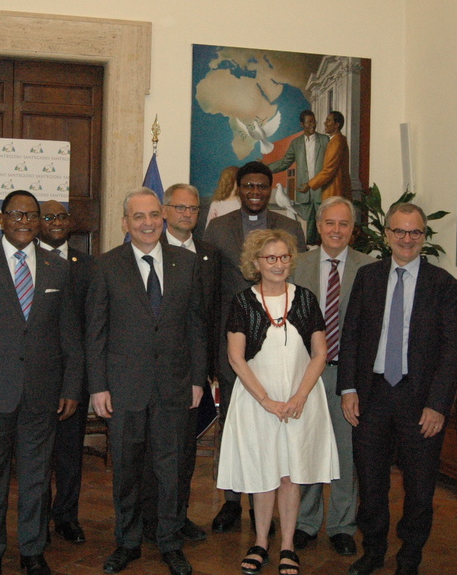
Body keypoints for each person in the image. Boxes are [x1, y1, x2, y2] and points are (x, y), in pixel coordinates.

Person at [0, 190, 82, 575]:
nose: (24, 221)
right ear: (2, 219)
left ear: (40, 221)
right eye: (16, 214)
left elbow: (70, 335)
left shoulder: (59, 267)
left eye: (32, 215)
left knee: (38, 477)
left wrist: (72, 387)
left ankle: (32, 550)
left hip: (43, 392)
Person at [86, 187, 207, 575]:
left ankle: (170, 542)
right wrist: (98, 386)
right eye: (139, 217)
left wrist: (198, 379)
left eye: (154, 214)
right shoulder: (106, 265)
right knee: (126, 469)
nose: (148, 222)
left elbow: (196, 326)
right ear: (126, 223)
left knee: (170, 469)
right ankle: (128, 541)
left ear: (164, 217)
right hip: (123, 388)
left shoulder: (186, 264)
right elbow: (96, 332)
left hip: (174, 385)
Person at [338, 203, 457, 575]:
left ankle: (410, 554)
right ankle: (373, 550)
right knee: (372, 482)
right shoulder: (369, 277)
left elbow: (451, 350)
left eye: (415, 233)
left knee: (421, 486)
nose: (407, 239)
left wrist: (438, 404)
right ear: (387, 234)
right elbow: (353, 335)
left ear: (424, 237)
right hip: (373, 395)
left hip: (420, 399)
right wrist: (348, 388)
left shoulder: (444, 285)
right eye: (400, 231)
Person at [217, 229, 338, 575]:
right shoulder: (242, 302)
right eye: (270, 257)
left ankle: (287, 546)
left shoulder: (305, 299)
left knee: (290, 474)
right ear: (255, 262)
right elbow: (236, 358)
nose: (279, 264)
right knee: (263, 472)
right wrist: (267, 400)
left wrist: (299, 396)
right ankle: (259, 543)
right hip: (257, 400)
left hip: (300, 400)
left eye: (284, 257)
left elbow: (320, 353)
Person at [204, 161, 306, 533]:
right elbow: (210, 291)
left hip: (281, 347)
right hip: (234, 346)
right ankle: (232, 500)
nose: (255, 192)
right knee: (234, 425)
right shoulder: (217, 228)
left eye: (262, 186)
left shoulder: (291, 227)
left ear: (270, 187)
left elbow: (301, 287)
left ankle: (263, 506)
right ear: (239, 188)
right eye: (248, 186)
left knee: (274, 427)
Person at [139, 183, 221, 544]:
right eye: (180, 208)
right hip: (147, 371)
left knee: (183, 451)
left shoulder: (209, 254)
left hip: (190, 370)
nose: (188, 214)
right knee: (148, 451)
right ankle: (147, 517)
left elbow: (209, 315)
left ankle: (178, 514)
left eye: (193, 209)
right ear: (165, 211)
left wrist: (207, 368)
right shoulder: (147, 249)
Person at [291, 196, 373, 557]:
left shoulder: (370, 268)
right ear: (319, 226)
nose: (336, 230)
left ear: (352, 230)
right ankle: (306, 522)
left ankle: (342, 525)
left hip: (348, 375)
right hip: (306, 374)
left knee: (345, 452)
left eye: (344, 224)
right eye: (330, 223)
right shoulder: (299, 265)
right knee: (307, 447)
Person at [37, 199, 94, 545]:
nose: (56, 222)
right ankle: (37, 517)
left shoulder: (88, 265)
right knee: (37, 453)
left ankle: (67, 516)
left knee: (71, 452)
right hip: (38, 373)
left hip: (76, 373)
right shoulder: (27, 262)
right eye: (49, 217)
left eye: (62, 216)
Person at [269, 110, 329, 244]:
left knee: (325, 227)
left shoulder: (325, 140)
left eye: (314, 121)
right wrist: (266, 168)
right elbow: (285, 162)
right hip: (304, 193)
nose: (312, 125)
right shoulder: (296, 143)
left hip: (322, 192)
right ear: (302, 124)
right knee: (306, 230)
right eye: (309, 122)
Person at [302, 111, 352, 202]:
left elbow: (328, 170)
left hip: (334, 191)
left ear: (336, 125)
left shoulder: (337, 142)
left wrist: (309, 184)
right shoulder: (334, 140)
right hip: (332, 190)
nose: (325, 123)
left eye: (328, 121)